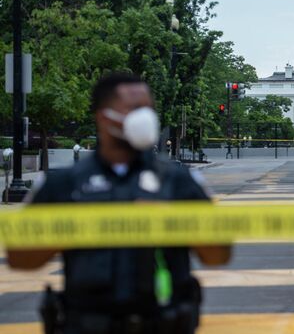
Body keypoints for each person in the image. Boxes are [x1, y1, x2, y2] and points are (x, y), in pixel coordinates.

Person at [7, 74, 231, 334]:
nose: (145, 117)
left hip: (163, 323)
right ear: (104, 116)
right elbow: (20, 259)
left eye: (149, 108)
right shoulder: (63, 184)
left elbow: (219, 255)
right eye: (135, 109)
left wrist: (174, 222)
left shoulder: (180, 180)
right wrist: (74, 227)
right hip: (87, 324)